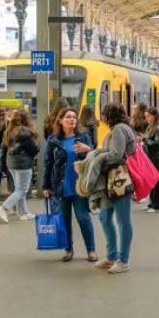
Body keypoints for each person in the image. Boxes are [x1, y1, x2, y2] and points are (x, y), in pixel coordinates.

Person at [42, 108, 96, 262]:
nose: (72, 119)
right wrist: (46, 186)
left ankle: (91, 250)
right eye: (68, 117)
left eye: (74, 117)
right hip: (60, 187)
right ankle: (68, 249)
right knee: (64, 219)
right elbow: (48, 164)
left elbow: (95, 158)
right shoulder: (53, 140)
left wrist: (88, 149)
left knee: (83, 218)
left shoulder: (84, 136)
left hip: (80, 186)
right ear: (60, 121)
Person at [95, 103, 136, 274]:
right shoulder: (120, 128)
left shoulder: (119, 129)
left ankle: (123, 260)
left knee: (123, 220)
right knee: (105, 217)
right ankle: (111, 256)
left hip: (119, 179)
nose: (102, 118)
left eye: (104, 114)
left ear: (109, 115)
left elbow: (116, 155)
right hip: (111, 180)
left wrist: (95, 156)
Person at [0, 109, 39, 223]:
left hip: (11, 164)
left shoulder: (8, 131)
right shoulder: (26, 132)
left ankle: (23, 213)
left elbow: (3, 149)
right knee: (21, 190)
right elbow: (35, 149)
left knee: (19, 189)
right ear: (26, 120)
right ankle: (3, 208)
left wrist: (2, 166)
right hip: (23, 164)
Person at [141, 107, 159, 213]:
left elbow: (157, 143)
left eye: (148, 116)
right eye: (146, 116)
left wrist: (145, 140)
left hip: (156, 156)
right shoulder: (151, 126)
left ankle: (157, 205)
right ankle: (152, 203)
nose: (147, 118)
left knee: (155, 180)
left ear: (154, 116)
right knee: (151, 180)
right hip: (151, 156)